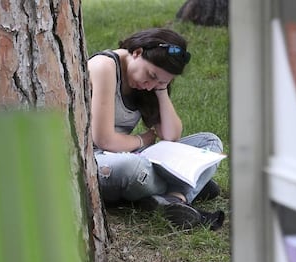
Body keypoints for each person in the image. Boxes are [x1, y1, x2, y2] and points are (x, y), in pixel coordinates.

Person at [88, 28, 224, 230]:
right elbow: (104, 139)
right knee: (132, 166)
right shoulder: (104, 66)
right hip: (95, 160)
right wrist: (143, 140)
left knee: (209, 142)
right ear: (137, 52)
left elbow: (171, 135)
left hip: (130, 154)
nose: (149, 85)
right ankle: (186, 185)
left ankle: (175, 199)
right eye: (151, 76)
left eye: (160, 82)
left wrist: (161, 89)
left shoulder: (151, 86)